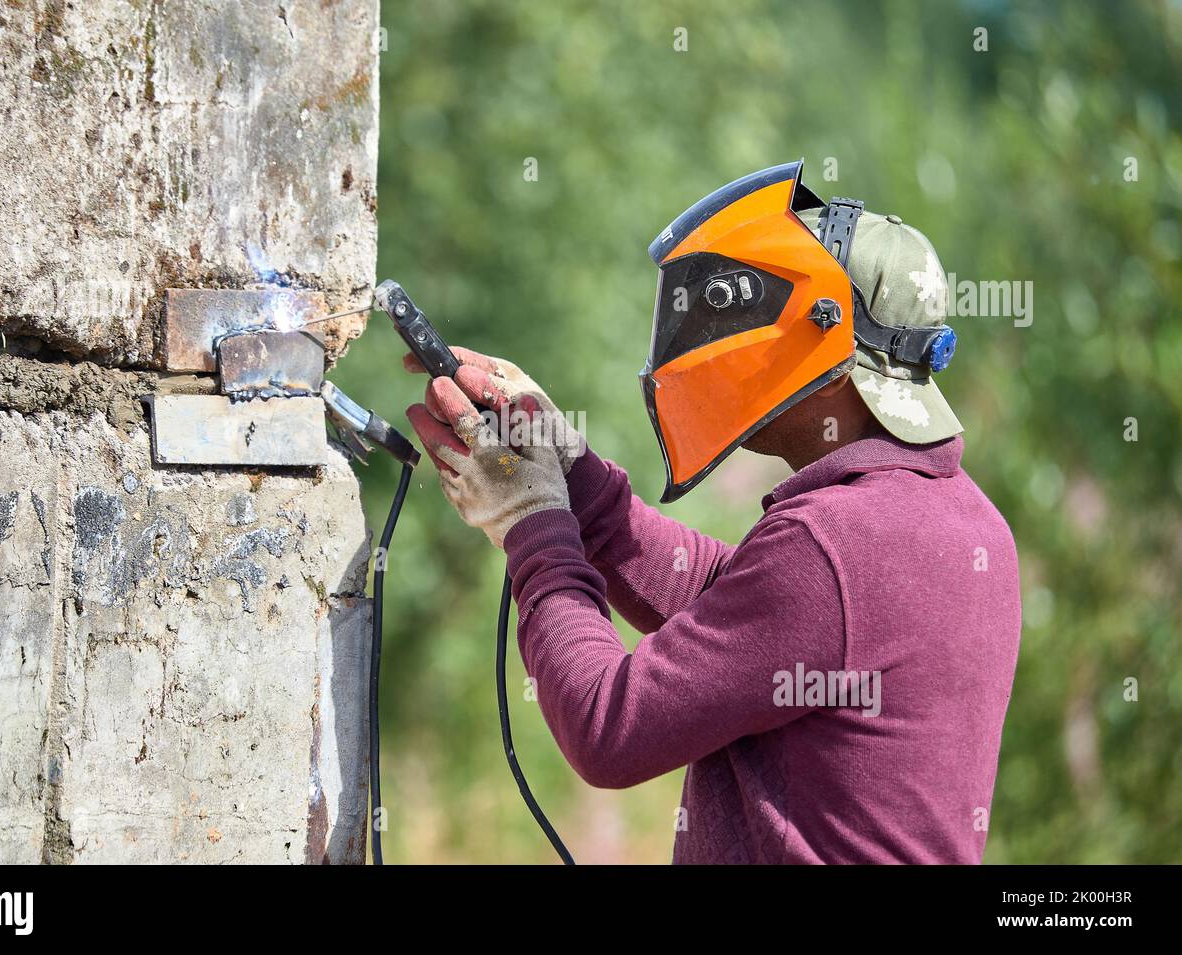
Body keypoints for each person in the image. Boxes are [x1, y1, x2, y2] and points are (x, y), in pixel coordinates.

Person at [404, 161, 1021, 864]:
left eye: (763, 316)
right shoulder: (970, 525)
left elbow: (608, 728)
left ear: (833, 347)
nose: (732, 344)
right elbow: (745, 614)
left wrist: (529, 522)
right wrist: (573, 472)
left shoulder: (831, 545)